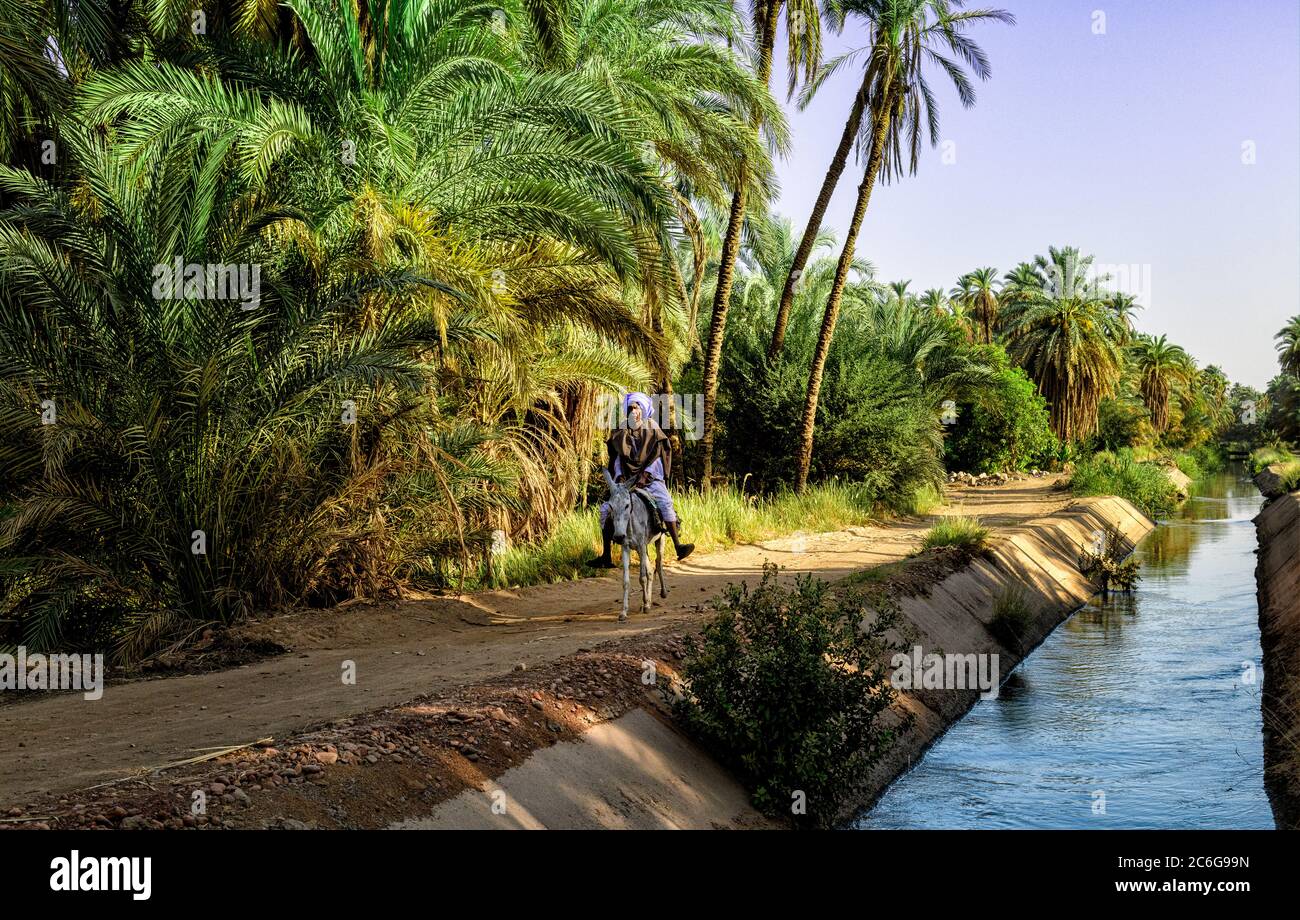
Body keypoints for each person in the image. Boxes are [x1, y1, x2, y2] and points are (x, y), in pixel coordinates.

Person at [587, 392, 694, 567]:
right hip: (627, 481)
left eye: (636, 408)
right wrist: (619, 476)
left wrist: (646, 475)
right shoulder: (621, 430)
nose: (633, 411)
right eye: (630, 408)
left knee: (665, 502)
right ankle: (606, 555)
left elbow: (658, 457)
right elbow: (617, 459)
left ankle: (678, 546)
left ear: (642, 410)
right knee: (606, 509)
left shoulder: (653, 428)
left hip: (650, 480)